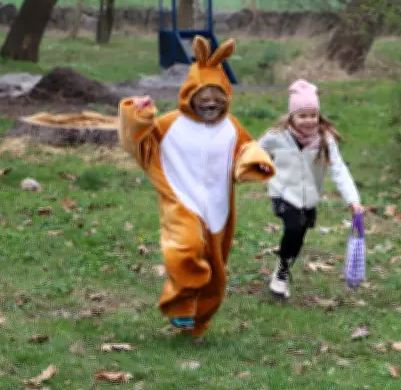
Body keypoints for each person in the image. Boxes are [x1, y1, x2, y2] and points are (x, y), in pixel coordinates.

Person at [118, 35, 275, 339]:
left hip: (219, 208)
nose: (211, 103)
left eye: (219, 97)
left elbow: (246, 148)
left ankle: (199, 320)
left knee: (216, 273)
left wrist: (253, 162)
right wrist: (136, 115)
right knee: (186, 249)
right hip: (180, 201)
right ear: (189, 95)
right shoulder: (168, 125)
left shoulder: (232, 127)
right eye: (203, 97)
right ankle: (179, 305)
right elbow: (137, 141)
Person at [257, 78, 362, 299]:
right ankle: (281, 276)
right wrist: (254, 167)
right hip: (283, 193)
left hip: (309, 198)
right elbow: (254, 153)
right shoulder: (276, 137)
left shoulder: (324, 140)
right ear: (291, 116)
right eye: (302, 116)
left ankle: (283, 268)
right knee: (293, 227)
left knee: (298, 236)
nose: (308, 121)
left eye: (312, 115)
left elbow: (339, 170)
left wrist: (353, 200)